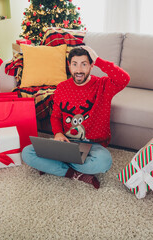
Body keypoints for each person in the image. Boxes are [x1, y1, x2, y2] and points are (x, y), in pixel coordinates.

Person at [22, 46, 130, 189]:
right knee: (27, 153)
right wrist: (58, 134)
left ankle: (55, 166)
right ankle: (74, 173)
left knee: (104, 162)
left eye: (84, 64)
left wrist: (99, 60)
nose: (78, 70)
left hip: (93, 144)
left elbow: (124, 79)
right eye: (74, 64)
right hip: (67, 141)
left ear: (92, 66)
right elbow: (55, 116)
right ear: (69, 65)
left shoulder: (103, 85)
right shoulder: (61, 87)